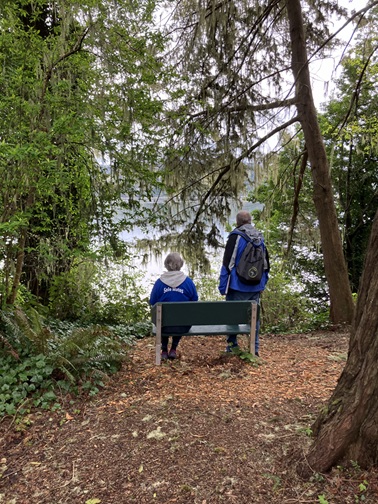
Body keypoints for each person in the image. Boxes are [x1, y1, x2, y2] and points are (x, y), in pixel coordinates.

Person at [218, 210, 270, 356]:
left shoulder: (236, 237)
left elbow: (227, 263)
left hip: (237, 285)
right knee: (254, 316)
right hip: (255, 285)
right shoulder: (259, 237)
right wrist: (263, 283)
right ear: (250, 221)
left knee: (232, 315)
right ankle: (255, 348)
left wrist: (223, 286)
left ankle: (232, 346)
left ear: (238, 222)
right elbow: (266, 264)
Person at [150, 252, 198, 360]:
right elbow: (194, 301)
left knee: (162, 318)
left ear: (166, 264)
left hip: (163, 326)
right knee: (181, 317)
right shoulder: (188, 282)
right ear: (181, 264)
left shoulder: (159, 283)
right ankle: (173, 349)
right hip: (183, 326)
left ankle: (164, 350)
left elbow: (152, 302)